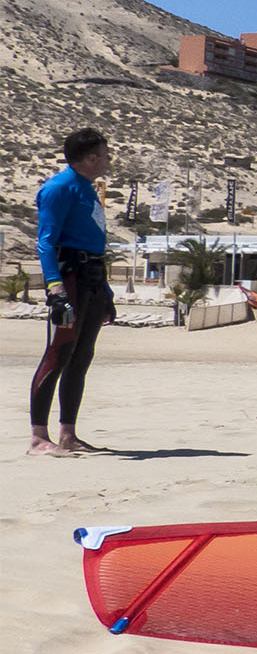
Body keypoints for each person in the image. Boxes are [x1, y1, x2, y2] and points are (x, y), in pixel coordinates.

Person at [29, 128, 115, 457]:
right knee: (59, 354)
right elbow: (46, 242)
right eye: (105, 155)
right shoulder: (58, 188)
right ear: (89, 158)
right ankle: (38, 438)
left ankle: (68, 434)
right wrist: (55, 287)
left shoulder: (87, 188)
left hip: (92, 277)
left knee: (82, 357)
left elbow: (94, 244)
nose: (108, 160)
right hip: (70, 279)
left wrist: (105, 292)